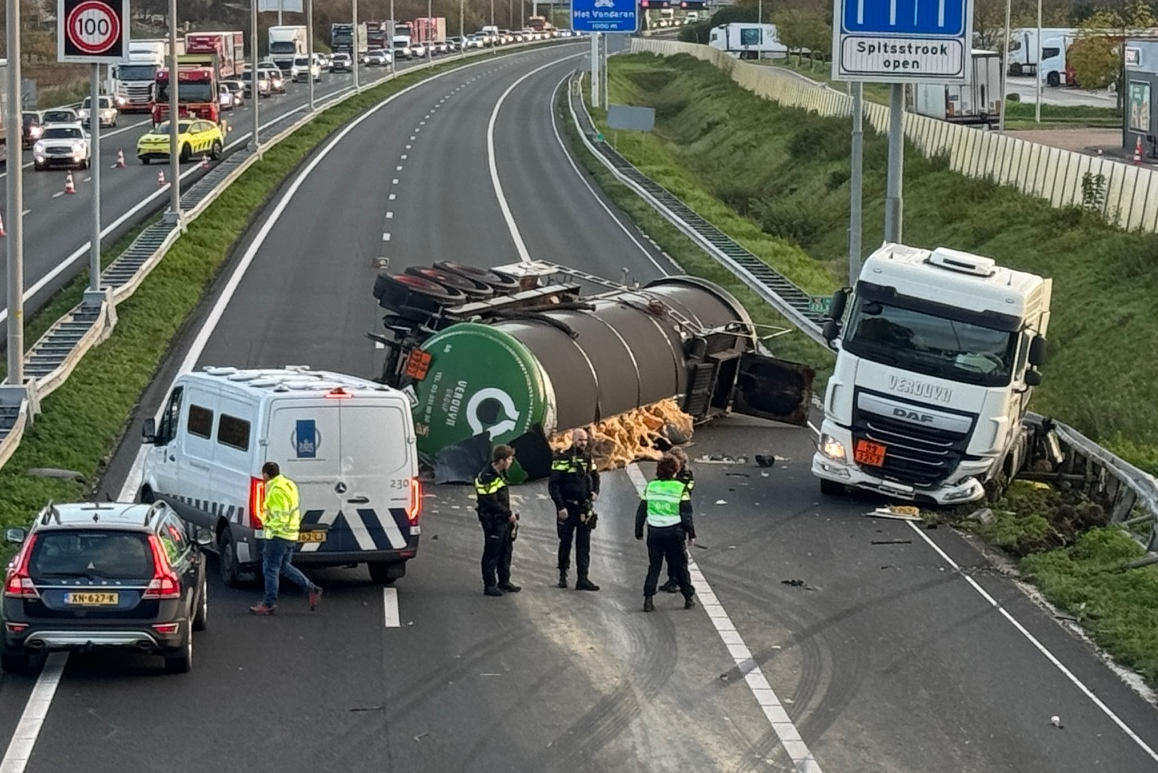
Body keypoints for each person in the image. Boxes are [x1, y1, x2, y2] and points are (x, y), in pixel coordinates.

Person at [250, 462, 323, 616]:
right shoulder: (289, 484)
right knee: (284, 566)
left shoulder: (276, 491)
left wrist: (266, 524)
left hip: (278, 536)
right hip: (291, 534)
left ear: (265, 475)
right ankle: (311, 588)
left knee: (270, 569)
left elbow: (279, 517)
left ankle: (268, 603)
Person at [635, 455, 696, 613]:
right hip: (674, 532)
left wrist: (639, 530)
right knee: (680, 566)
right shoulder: (680, 488)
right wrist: (691, 533)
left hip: (654, 532)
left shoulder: (651, 486)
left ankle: (648, 599)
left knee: (654, 566)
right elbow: (686, 514)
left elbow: (642, 510)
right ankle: (688, 598)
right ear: (675, 470)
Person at [549, 428, 601, 591]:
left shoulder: (587, 457)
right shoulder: (562, 458)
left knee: (584, 545)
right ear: (573, 440)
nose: (583, 443)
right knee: (565, 542)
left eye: (585, 440)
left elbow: (595, 476)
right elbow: (554, 485)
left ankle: (583, 578)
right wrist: (560, 507)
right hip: (568, 507)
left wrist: (594, 492)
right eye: (580, 440)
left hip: (584, 508)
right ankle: (563, 574)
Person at [475, 444, 521, 597]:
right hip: (492, 520)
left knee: (505, 551)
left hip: (502, 520)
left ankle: (504, 581)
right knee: (492, 552)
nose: (511, 462)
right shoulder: (487, 476)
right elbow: (490, 501)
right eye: (509, 459)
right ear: (501, 460)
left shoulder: (500, 474)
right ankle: (489, 585)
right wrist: (508, 513)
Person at [659, 446, 695, 594]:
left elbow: (685, 492)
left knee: (679, 553)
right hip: (672, 512)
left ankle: (680, 581)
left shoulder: (685, 475)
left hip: (680, 514)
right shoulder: (676, 473)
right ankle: (672, 578)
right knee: (670, 552)